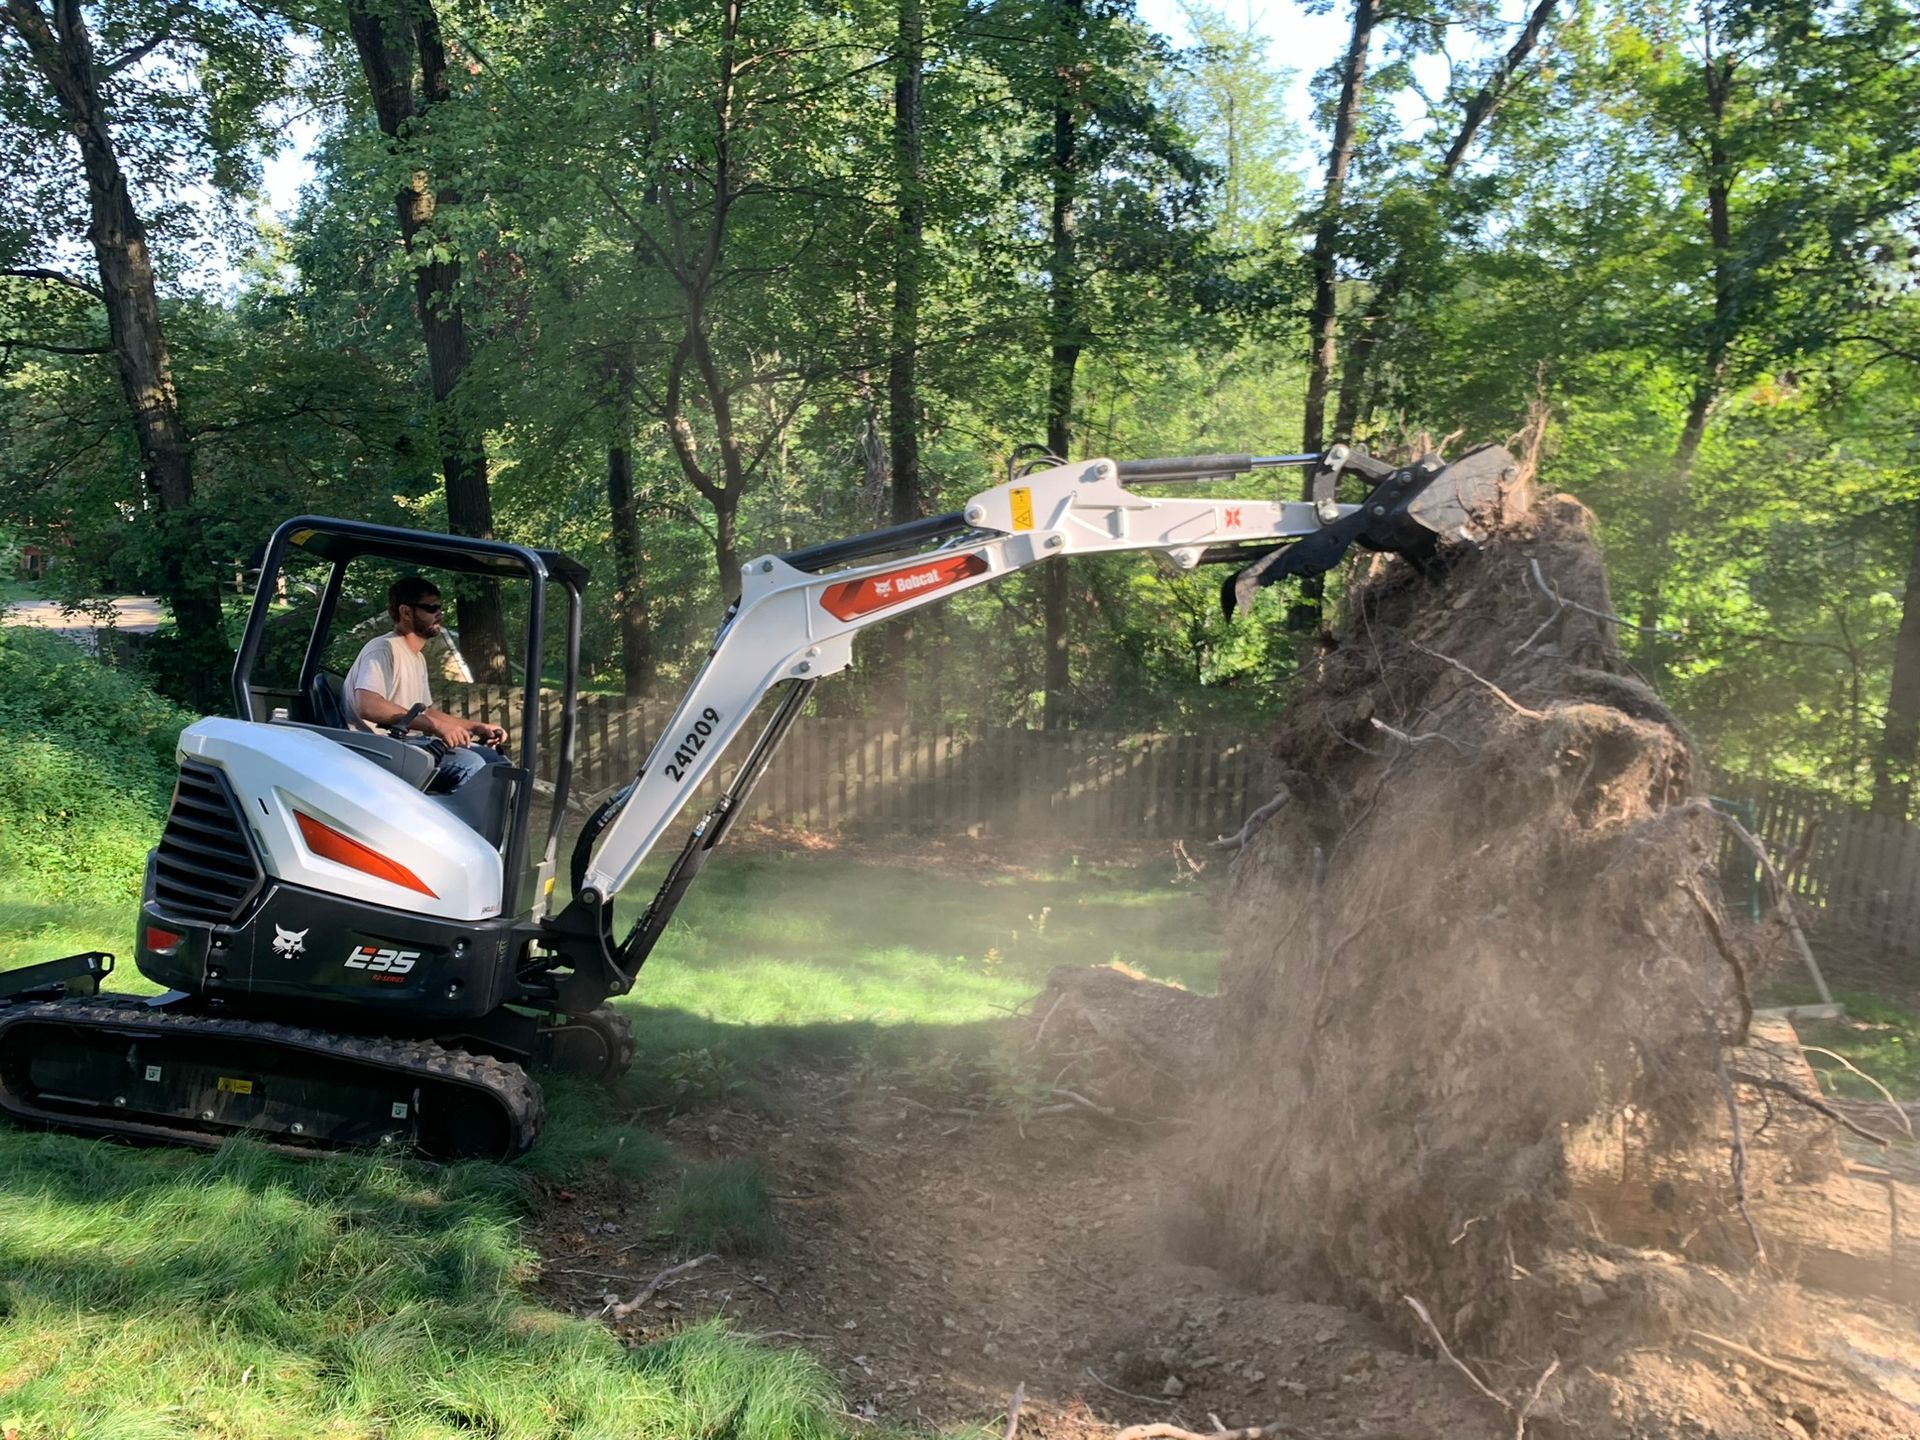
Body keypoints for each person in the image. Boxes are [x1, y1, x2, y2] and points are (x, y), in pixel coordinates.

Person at [344, 576, 507, 790]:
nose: (439, 613)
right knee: (471, 764)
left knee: (494, 761)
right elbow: (368, 706)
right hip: (380, 750)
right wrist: (437, 728)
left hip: (405, 747)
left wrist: (477, 727)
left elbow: (427, 713)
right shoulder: (383, 649)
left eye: (440, 607)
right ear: (406, 612)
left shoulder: (417, 657)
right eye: (431, 608)